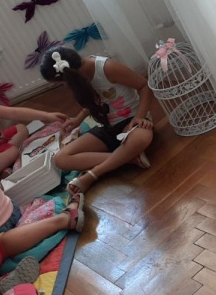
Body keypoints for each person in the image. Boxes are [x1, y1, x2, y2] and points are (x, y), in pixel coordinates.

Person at [39, 47, 154, 194]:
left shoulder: (107, 68)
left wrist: (140, 116)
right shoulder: (81, 77)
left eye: (62, 84)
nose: (65, 87)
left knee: (140, 138)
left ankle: (93, 174)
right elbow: (96, 102)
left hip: (132, 121)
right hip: (106, 127)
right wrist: (78, 119)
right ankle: (128, 157)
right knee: (60, 159)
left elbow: (144, 85)